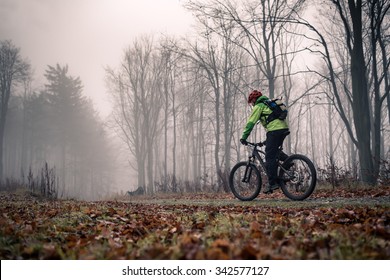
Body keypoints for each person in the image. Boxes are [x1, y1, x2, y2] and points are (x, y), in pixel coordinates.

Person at [240, 90, 289, 194]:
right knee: (274, 152)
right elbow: (274, 120)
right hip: (283, 128)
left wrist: (244, 137)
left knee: (269, 157)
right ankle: (288, 162)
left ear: (254, 100)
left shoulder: (259, 106)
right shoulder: (269, 104)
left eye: (252, 102)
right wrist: (265, 142)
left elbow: (251, 123)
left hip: (274, 130)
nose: (252, 104)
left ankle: (272, 184)